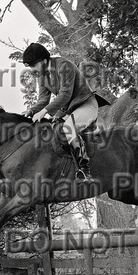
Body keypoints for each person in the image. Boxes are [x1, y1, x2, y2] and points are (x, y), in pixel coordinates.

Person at [21, 43, 98, 181]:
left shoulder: (64, 66)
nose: (32, 70)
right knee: (49, 132)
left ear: (44, 61)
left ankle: (85, 170)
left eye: (33, 65)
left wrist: (44, 112)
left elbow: (65, 95)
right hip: (68, 110)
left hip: (86, 104)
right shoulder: (42, 76)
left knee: (68, 128)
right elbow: (43, 100)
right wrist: (31, 110)